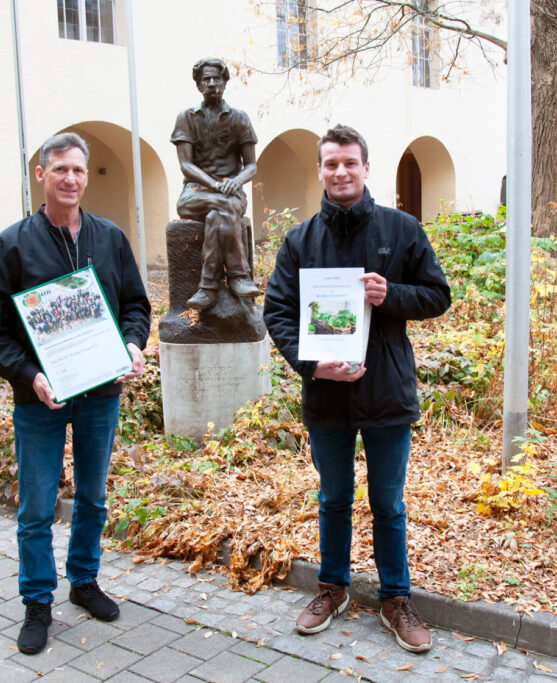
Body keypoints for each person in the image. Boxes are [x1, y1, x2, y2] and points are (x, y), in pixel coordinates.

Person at [262, 125, 451, 653]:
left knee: (388, 502)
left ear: (366, 168)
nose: (340, 172)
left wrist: (392, 294)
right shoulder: (300, 240)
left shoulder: (402, 228)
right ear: (320, 170)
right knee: (334, 497)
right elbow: (275, 311)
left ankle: (395, 598)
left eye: (349, 162)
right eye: (330, 164)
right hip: (327, 395)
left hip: (387, 390)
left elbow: (438, 295)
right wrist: (311, 365)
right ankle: (333, 588)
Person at [0, 132, 151, 655]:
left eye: (78, 170)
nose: (70, 179)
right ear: (40, 175)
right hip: (40, 400)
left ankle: (84, 582)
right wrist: (30, 376)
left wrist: (134, 344)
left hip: (101, 393)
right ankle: (36, 601)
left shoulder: (110, 238)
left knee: (93, 496)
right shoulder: (10, 245)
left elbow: (136, 306)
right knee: (36, 506)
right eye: (60, 170)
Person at [171, 57, 262, 311]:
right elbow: (186, 165)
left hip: (231, 192)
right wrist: (213, 183)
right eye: (206, 79)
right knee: (224, 207)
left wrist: (235, 181)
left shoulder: (239, 118)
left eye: (216, 79)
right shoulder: (186, 118)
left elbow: (251, 165)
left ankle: (207, 287)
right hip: (195, 193)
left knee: (215, 217)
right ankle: (239, 276)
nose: (211, 84)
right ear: (199, 85)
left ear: (224, 82)